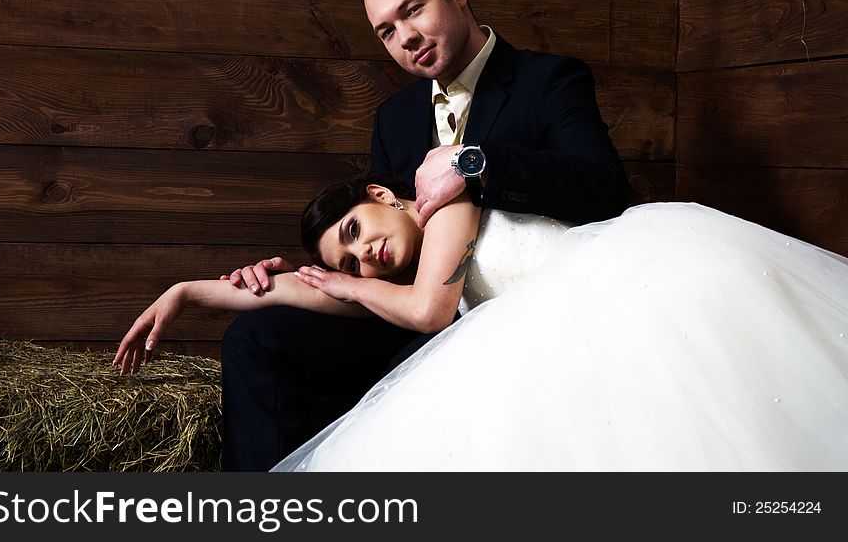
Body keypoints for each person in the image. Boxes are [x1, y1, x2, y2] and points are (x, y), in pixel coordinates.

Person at [210, 0, 630, 470]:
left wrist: (472, 163)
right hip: (415, 316)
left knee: (418, 383)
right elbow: (390, 243)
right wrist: (302, 280)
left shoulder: (547, 79)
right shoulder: (395, 118)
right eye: (386, 30)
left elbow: (604, 188)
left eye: (413, 10)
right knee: (256, 338)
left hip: (521, 322)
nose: (406, 38)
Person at [116, 172, 848, 470]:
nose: (364, 254)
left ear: (383, 192)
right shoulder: (388, 274)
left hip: (614, 289)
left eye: (354, 226)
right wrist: (189, 291)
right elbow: (308, 291)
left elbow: (433, 311)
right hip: (537, 337)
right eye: (352, 256)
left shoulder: (445, 201)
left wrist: (348, 282)